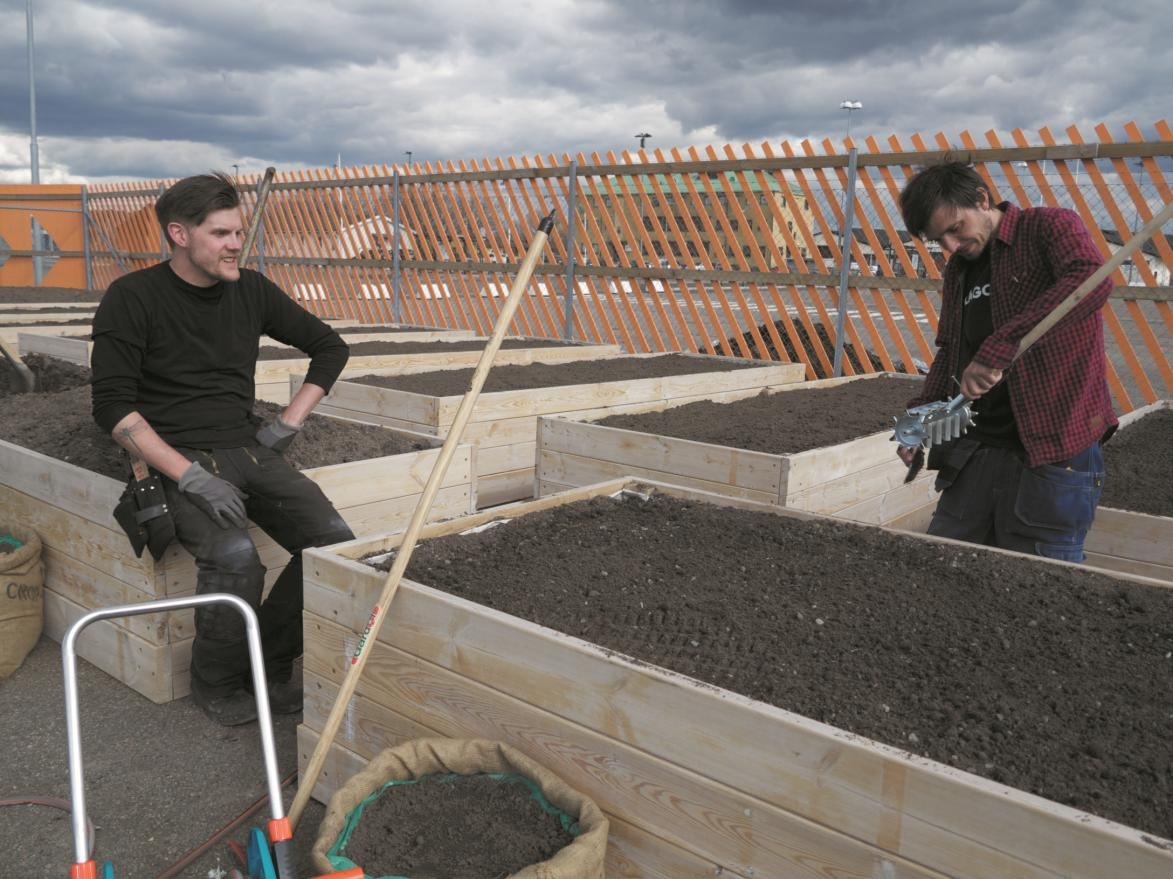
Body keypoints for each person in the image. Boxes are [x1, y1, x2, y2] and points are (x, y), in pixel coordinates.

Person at [91, 172, 355, 725]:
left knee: (333, 545)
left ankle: (269, 665)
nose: (236, 243)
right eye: (221, 233)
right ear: (179, 234)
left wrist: (288, 422)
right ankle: (215, 683)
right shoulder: (132, 297)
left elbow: (329, 347)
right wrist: (188, 476)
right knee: (235, 558)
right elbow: (113, 408)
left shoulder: (251, 289)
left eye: (238, 231)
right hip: (173, 454)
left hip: (247, 445)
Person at [896, 162, 1115, 562]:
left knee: (1038, 581)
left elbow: (1090, 281)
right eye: (937, 239)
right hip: (977, 449)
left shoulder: (1048, 227)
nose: (949, 246)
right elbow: (950, 349)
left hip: (1051, 449)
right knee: (944, 567)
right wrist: (921, 417)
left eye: (955, 228)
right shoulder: (959, 271)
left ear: (982, 199)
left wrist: (1002, 344)